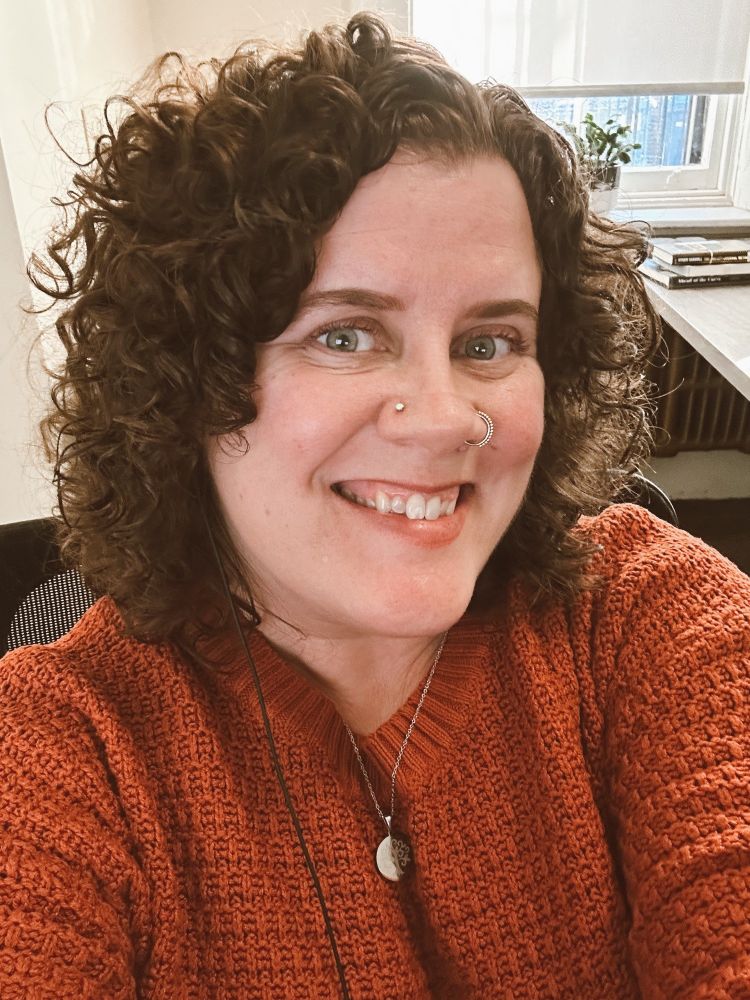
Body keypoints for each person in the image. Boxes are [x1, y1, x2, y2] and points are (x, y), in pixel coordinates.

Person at [1, 11, 748, 998]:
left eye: (490, 341)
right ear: (189, 377)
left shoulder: (648, 619)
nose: (447, 420)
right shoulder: (66, 755)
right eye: (345, 334)